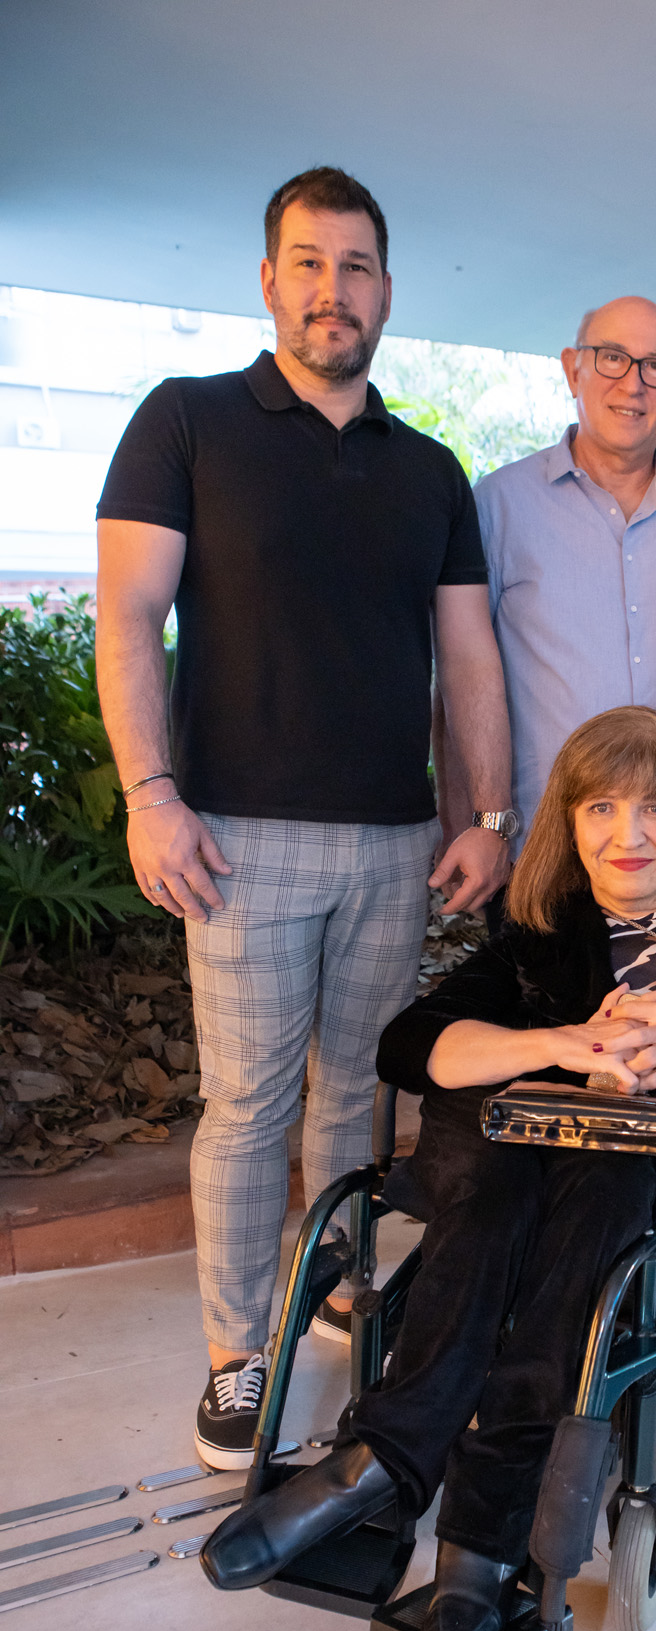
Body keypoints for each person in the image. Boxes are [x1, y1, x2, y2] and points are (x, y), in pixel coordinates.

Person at [200, 706, 656, 1631]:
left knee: (588, 1223)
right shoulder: (548, 923)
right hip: (535, 1148)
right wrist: (560, 1043)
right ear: (569, 822)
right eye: (600, 809)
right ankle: (383, 1465)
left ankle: (471, 1526)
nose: (628, 837)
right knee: (486, 1198)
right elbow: (413, 1043)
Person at [95, 166, 514, 1470]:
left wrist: (485, 813)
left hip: (395, 842)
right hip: (235, 837)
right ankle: (238, 1356)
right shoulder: (187, 421)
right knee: (250, 1107)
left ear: (388, 290)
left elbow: (473, 658)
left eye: (359, 265)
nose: (335, 288)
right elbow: (125, 618)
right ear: (269, 278)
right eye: (310, 261)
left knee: (355, 1107)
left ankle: (331, 1284)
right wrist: (148, 796)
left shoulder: (433, 469)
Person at [440, 297, 656, 846]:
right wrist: (470, 828)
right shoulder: (498, 503)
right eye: (612, 357)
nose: (633, 384)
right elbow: (460, 679)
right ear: (571, 368)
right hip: (540, 848)